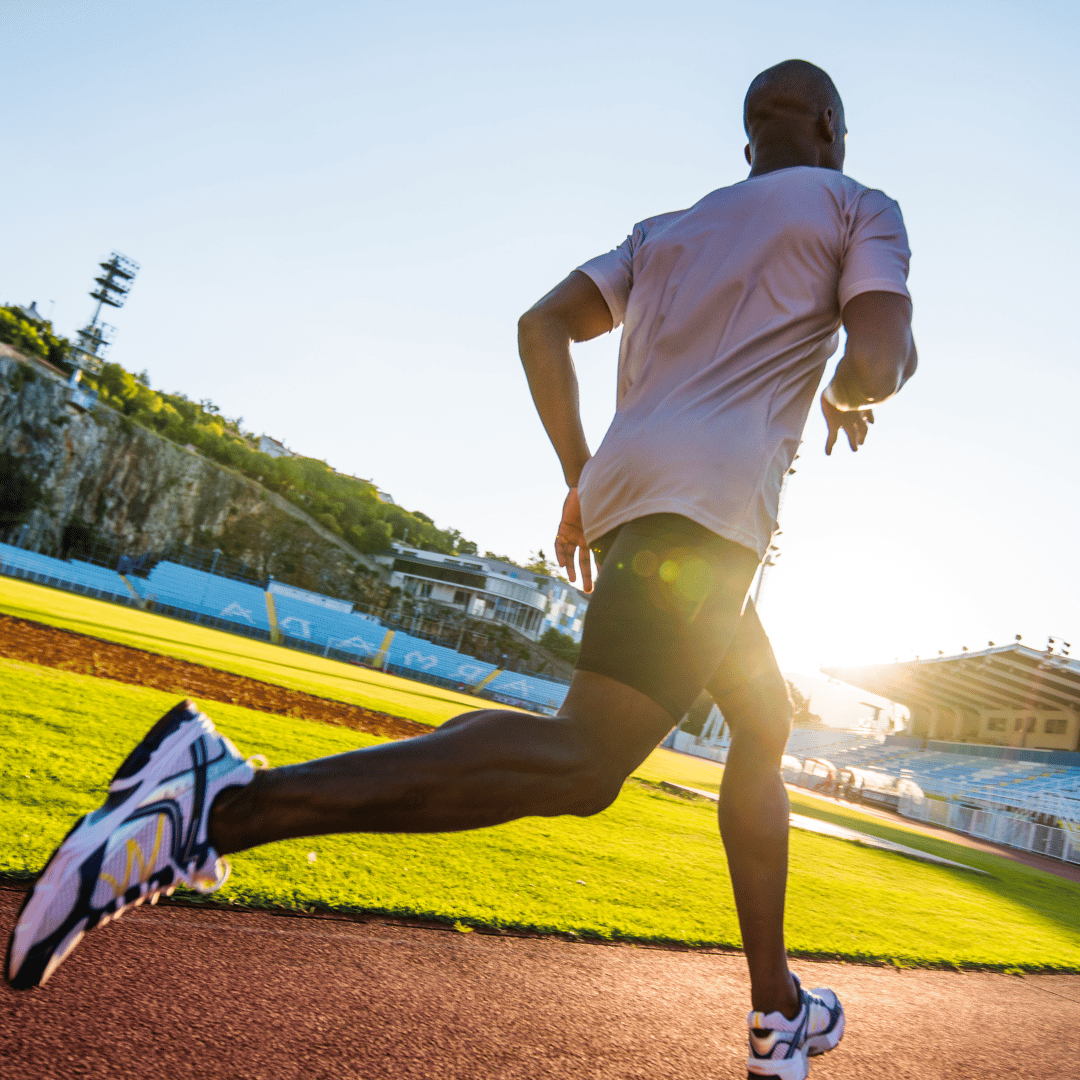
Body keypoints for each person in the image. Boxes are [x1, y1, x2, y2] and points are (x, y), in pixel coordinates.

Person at [7, 58, 915, 1080]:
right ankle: (217, 803)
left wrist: (584, 478)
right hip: (705, 522)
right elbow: (882, 354)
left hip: (634, 509)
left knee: (763, 722)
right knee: (582, 764)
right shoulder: (857, 205)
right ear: (830, 130)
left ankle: (776, 1005)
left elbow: (540, 327)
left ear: (750, 140)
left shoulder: (665, 231)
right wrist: (853, 389)